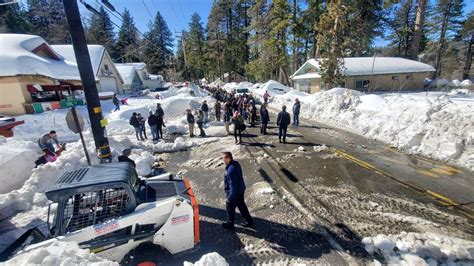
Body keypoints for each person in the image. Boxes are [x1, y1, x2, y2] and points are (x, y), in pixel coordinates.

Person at [221, 152, 254, 229]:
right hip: (240, 190)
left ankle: (230, 224)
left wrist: (229, 198)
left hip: (234, 193)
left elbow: (233, 187)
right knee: (242, 206)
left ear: (228, 159)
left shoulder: (230, 171)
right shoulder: (235, 163)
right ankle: (249, 221)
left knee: (230, 207)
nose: (222, 160)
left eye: (223, 158)